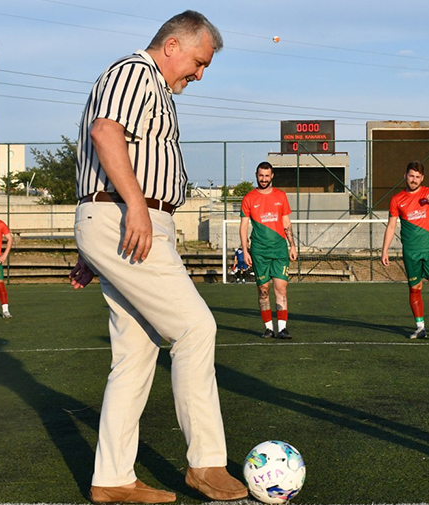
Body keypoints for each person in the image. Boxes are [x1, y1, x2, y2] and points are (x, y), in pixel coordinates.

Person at [68, 11, 247, 504]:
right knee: (196, 328)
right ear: (172, 45)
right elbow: (106, 133)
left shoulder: (154, 88)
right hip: (130, 220)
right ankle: (206, 464)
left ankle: (112, 479)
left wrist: (102, 238)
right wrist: (135, 210)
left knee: (135, 355)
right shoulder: (135, 72)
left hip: (121, 221)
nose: (199, 74)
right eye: (198, 62)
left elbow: (104, 150)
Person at [380, 160, 429, 342]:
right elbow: (391, 226)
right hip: (411, 252)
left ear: (422, 178)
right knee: (415, 288)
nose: (414, 180)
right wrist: (384, 250)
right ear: (405, 176)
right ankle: (420, 327)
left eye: (417, 177)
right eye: (411, 176)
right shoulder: (397, 199)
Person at [240, 162, 298, 339]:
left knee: (281, 289)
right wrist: (245, 250)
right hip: (258, 251)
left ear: (272, 176)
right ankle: (268, 328)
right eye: (261, 175)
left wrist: (292, 245)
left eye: (267, 176)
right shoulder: (249, 198)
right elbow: (243, 227)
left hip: (279, 250)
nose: (264, 179)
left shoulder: (281, 196)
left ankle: (282, 328)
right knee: (263, 290)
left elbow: (286, 222)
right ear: (256, 175)